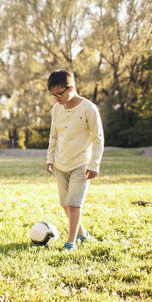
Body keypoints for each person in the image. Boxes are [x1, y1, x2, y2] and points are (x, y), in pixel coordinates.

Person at [45, 70, 104, 251]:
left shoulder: (89, 109)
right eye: (53, 94)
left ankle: (70, 243)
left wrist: (94, 164)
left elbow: (98, 138)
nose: (56, 98)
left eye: (59, 93)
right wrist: (50, 158)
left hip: (82, 165)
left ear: (71, 87)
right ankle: (82, 234)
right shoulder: (57, 109)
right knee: (65, 204)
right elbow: (53, 136)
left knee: (74, 204)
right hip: (61, 164)